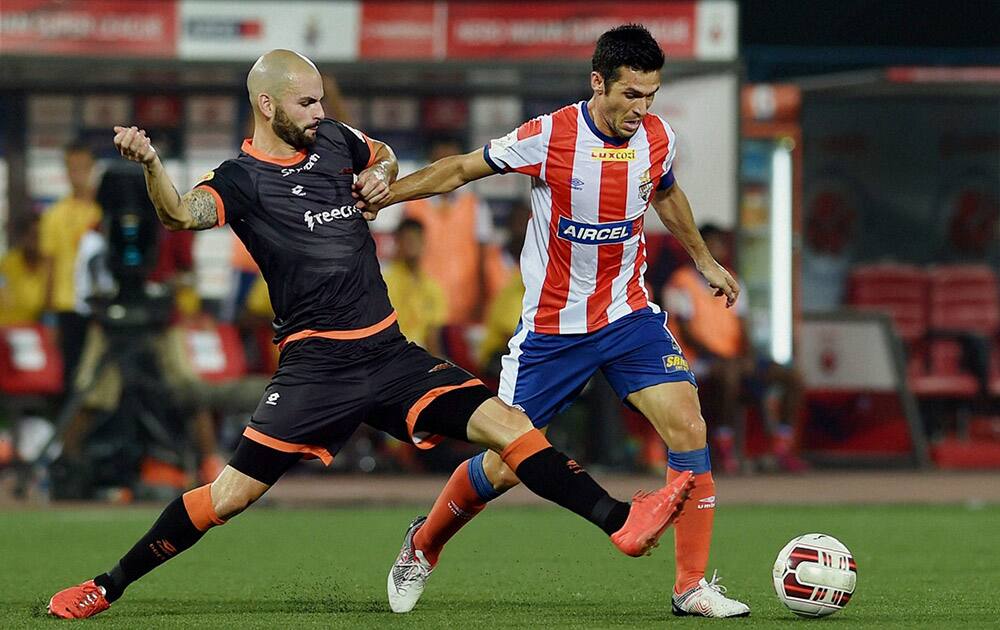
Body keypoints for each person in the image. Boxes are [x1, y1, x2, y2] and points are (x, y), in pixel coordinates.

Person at [47, 49, 694, 620]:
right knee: (227, 497)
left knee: (508, 426)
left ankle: (620, 522)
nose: (319, 110)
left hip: (387, 353)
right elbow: (181, 214)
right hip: (315, 370)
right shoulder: (240, 179)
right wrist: (152, 164)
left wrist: (383, 172)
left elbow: (378, 152)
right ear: (267, 105)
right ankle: (107, 586)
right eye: (307, 101)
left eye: (322, 98)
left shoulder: (332, 137)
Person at [356, 24, 749, 618]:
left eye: (651, 96)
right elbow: (462, 169)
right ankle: (422, 544)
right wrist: (387, 197)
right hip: (551, 332)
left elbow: (666, 192)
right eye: (631, 95)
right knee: (505, 463)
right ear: (598, 82)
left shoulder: (656, 137)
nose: (641, 110)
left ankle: (690, 587)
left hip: (628, 317)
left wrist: (703, 258)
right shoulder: (551, 134)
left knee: (689, 429)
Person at [664, 224, 807, 473]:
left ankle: (782, 446)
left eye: (721, 244)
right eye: (712, 244)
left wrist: (747, 357)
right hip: (696, 361)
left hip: (731, 357)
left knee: (792, 376)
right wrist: (725, 359)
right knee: (729, 376)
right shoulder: (680, 282)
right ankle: (724, 445)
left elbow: (743, 326)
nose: (718, 249)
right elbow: (687, 333)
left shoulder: (731, 277)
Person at [402, 138, 495, 324]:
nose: (446, 172)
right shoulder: (412, 206)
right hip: (421, 310)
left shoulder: (475, 206)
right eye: (440, 163)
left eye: (451, 163)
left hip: (465, 309)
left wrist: (485, 302)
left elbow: (485, 259)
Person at [39, 141, 102, 389]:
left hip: (98, 307)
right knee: (71, 374)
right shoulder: (54, 215)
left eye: (82, 168)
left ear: (93, 168)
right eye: (72, 168)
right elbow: (49, 268)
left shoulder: (102, 211)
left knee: (99, 377)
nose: (77, 175)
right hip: (67, 308)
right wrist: (49, 318)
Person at [382, 218, 447, 355]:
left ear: (424, 242)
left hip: (421, 356)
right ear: (398, 242)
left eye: (416, 239)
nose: (412, 244)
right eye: (407, 240)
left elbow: (433, 336)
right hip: (391, 354)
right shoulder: (384, 282)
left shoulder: (433, 287)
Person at [0, 214, 47, 325]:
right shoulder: (7, 264)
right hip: (6, 327)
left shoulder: (49, 267)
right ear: (22, 236)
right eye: (32, 235)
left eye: (41, 236)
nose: (36, 240)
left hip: (34, 329)